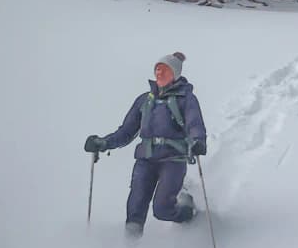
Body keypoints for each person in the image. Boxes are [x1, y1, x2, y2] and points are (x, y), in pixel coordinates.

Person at [84, 52, 208, 237]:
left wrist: (198, 142)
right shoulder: (144, 100)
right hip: (145, 160)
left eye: (164, 70)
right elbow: (126, 131)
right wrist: (103, 143)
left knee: (162, 208)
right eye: (157, 69)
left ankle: (187, 213)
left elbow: (194, 124)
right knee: (135, 206)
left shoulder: (186, 99)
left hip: (173, 159)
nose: (159, 73)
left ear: (175, 74)